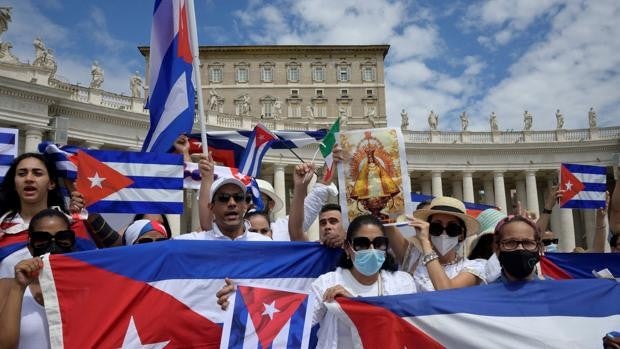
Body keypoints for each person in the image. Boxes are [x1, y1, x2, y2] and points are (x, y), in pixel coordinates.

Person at [216, 215, 416, 348]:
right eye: (362, 243)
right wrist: (243, 302)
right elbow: (292, 317)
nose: (371, 249)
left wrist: (354, 305)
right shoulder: (328, 282)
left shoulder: (403, 283)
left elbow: (407, 328)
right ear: (347, 247)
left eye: (378, 243)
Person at [0, 153, 97, 277]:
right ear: (14, 183)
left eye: (37, 173)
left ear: (51, 183)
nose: (29, 178)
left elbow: (92, 272)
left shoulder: (73, 227)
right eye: (22, 173)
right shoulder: (2, 230)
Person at [0, 208, 77, 348]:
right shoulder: (6, 287)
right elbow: (5, 345)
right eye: (42, 240)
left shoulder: (87, 287)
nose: (53, 247)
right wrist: (18, 287)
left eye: (63, 239)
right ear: (30, 246)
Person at [388, 196, 486, 292]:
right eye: (436, 227)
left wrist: (426, 243)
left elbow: (445, 291)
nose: (444, 233)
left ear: (461, 234)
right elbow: (387, 224)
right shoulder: (413, 256)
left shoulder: (474, 267)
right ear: (428, 230)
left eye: (452, 228)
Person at [176, 177, 270, 241]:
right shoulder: (194, 243)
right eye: (224, 198)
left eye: (238, 197)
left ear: (245, 204)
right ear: (211, 207)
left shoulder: (265, 244)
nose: (232, 203)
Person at [492, 215, 544, 283]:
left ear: (539, 248)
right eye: (510, 242)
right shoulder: (484, 293)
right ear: (497, 249)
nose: (520, 248)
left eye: (527, 243)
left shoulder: (556, 291)